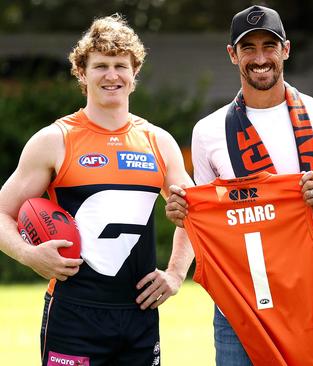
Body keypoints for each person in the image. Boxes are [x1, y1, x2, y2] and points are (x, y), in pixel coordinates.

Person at [164, 5, 313, 365]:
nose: (260, 58)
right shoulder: (209, 131)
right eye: (248, 48)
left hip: (309, 301)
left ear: (286, 49)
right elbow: (206, 219)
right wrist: (184, 214)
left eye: (269, 46)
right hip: (239, 308)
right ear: (232, 54)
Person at [0, 14, 194, 365]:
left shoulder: (158, 142)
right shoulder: (54, 140)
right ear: (81, 73)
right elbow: (1, 213)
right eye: (100, 65)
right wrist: (28, 255)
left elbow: (196, 214)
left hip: (139, 316)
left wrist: (176, 273)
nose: (111, 75)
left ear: (135, 74)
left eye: (121, 65)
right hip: (73, 313)